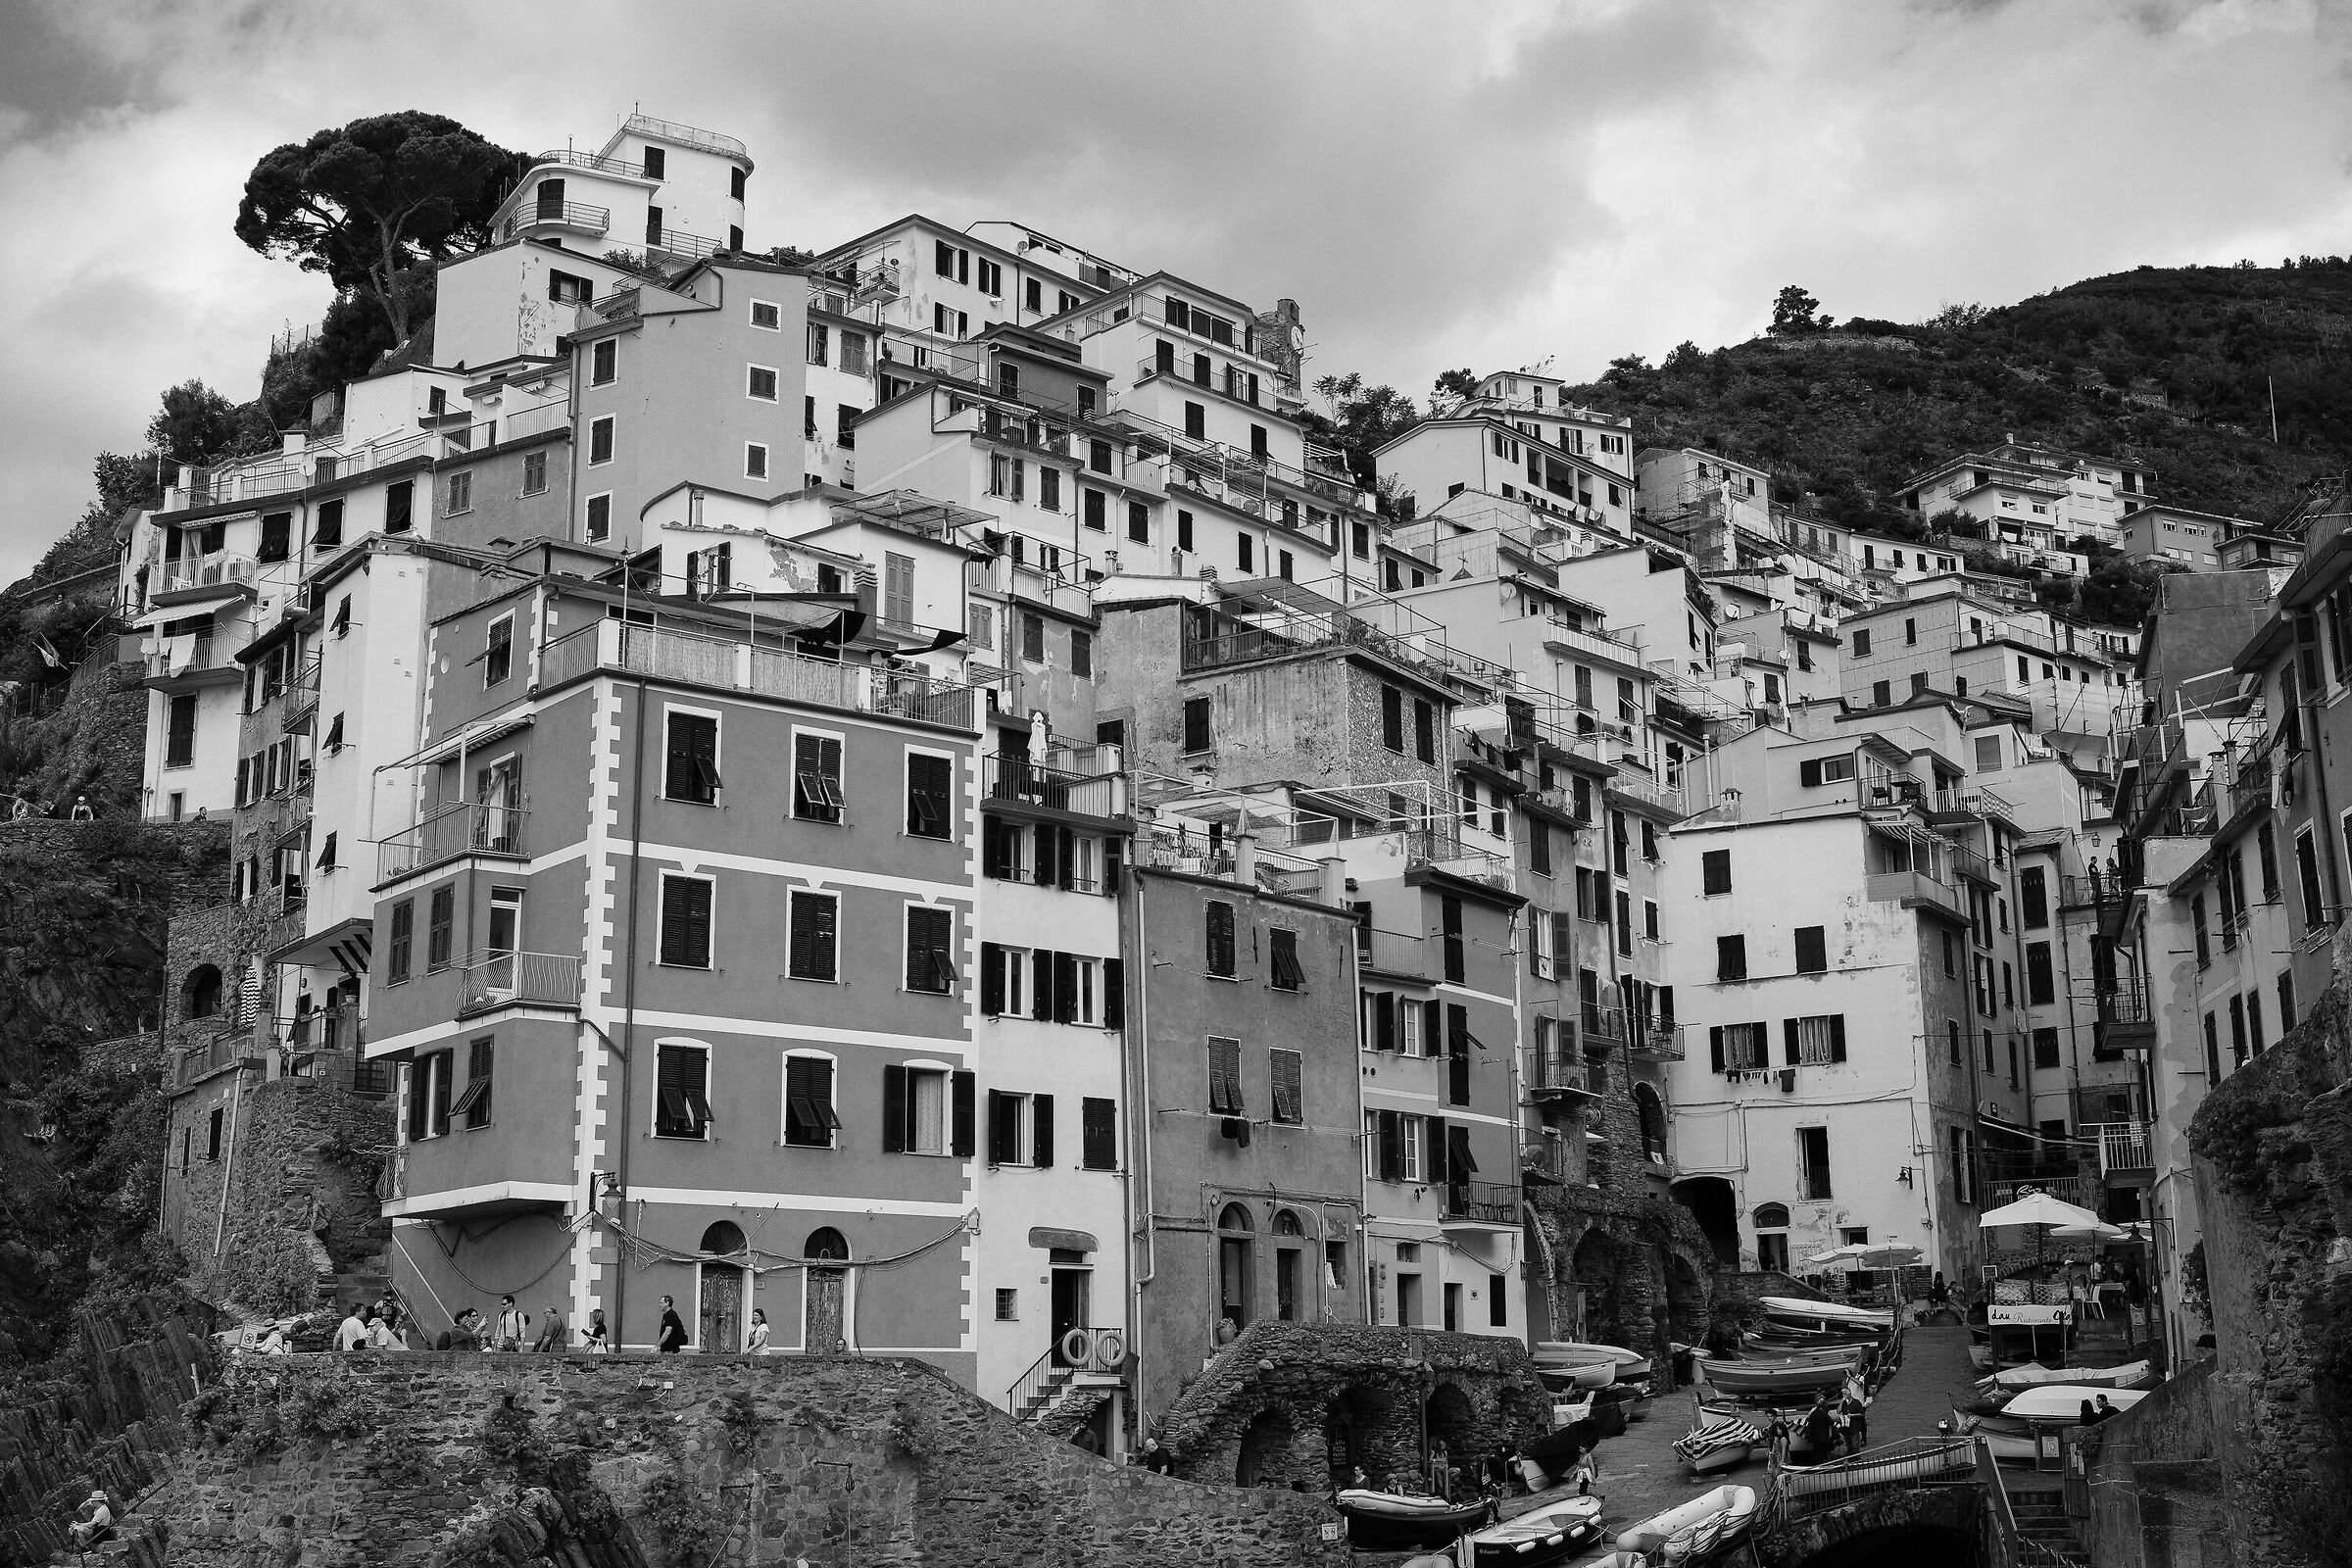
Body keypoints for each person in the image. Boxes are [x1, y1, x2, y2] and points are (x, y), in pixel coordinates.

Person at [1801, 1392, 1836, 1460]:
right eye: (1820, 1401)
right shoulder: (1815, 1410)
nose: (1822, 1402)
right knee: (1821, 1450)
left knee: (1824, 1450)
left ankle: (1825, 1461)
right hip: (1820, 1432)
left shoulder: (1822, 1410)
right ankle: (1825, 1461)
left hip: (1823, 1432)